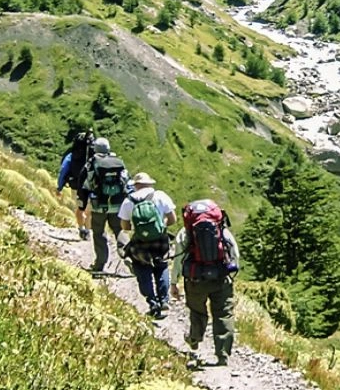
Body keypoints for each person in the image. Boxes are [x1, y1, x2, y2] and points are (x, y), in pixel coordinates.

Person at [170, 199, 239, 366]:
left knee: (197, 311)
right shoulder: (221, 230)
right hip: (220, 278)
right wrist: (232, 274)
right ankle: (222, 354)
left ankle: (194, 338)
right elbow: (234, 252)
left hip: (195, 279)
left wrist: (174, 282)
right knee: (223, 313)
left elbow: (178, 258)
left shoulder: (185, 233)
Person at [119, 172, 176, 319]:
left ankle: (152, 303)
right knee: (161, 266)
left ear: (136, 185)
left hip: (140, 243)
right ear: (150, 184)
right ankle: (164, 300)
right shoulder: (160, 196)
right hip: (160, 240)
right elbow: (172, 219)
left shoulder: (128, 200)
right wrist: (160, 227)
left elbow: (125, 226)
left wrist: (140, 229)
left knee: (142, 271)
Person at [83, 137, 129, 272]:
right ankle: (128, 257)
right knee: (118, 229)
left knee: (98, 233)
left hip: (99, 205)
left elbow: (87, 183)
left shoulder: (93, 162)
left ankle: (100, 264)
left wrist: (83, 202)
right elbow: (126, 180)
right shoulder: (118, 162)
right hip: (117, 205)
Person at [56, 129, 94, 240]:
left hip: (76, 186)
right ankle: (88, 230)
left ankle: (81, 229)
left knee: (79, 208)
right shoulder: (94, 157)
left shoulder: (71, 156)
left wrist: (59, 187)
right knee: (89, 210)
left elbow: (63, 170)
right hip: (92, 187)